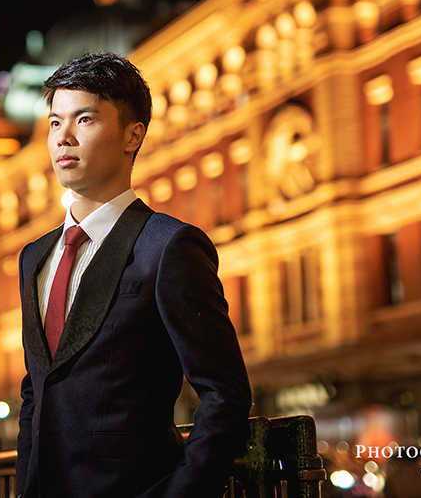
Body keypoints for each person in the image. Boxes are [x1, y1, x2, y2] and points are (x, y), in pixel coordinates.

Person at [15, 51, 252, 498]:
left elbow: (226, 394)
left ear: (132, 135)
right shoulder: (35, 257)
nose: (63, 138)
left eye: (84, 120)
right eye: (54, 122)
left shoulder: (168, 247)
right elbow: (36, 392)